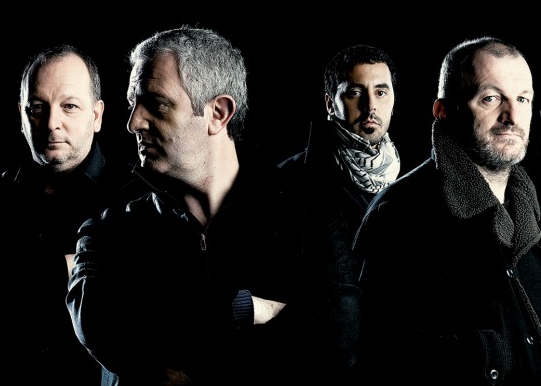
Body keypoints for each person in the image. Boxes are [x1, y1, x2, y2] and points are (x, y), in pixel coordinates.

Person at [66, 26, 312, 385]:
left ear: (218, 113)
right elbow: (99, 323)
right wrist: (243, 309)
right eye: (133, 103)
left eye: (156, 103)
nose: (133, 122)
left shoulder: (302, 217)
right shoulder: (109, 231)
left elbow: (331, 340)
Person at [0, 44, 135, 385]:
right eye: (38, 108)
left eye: (69, 106)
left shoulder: (132, 199)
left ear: (97, 115)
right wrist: (63, 269)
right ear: (21, 115)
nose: (52, 124)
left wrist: (0, 272)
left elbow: (133, 293)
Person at [352, 36, 540, 384]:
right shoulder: (401, 215)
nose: (512, 116)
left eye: (522, 99)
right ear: (444, 110)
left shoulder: (531, 217)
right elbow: (376, 355)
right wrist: (482, 357)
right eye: (490, 98)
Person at [275, 44, 401, 380]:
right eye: (355, 93)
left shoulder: (410, 182)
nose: (371, 105)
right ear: (331, 103)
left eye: (381, 92)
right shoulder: (290, 182)